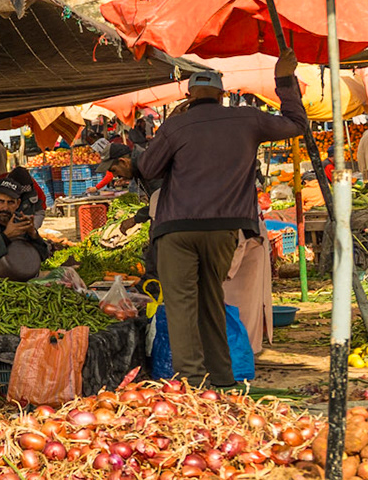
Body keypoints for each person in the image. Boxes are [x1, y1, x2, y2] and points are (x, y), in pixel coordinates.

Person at [116, 57, 306, 389]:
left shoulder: (177, 126)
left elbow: (147, 168)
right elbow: (295, 123)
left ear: (189, 97)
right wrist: (284, 80)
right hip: (223, 229)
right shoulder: (246, 118)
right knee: (211, 301)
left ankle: (190, 384)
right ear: (221, 95)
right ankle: (222, 377)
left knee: (181, 306)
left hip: (177, 229)